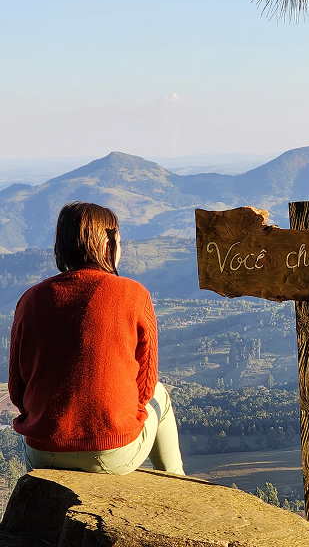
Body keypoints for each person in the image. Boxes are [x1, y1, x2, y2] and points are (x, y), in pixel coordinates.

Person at [8, 201, 184, 475]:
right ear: (106, 244)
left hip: (44, 453)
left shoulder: (30, 299)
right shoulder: (134, 294)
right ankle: (177, 484)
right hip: (112, 454)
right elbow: (146, 385)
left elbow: (18, 390)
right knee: (160, 395)